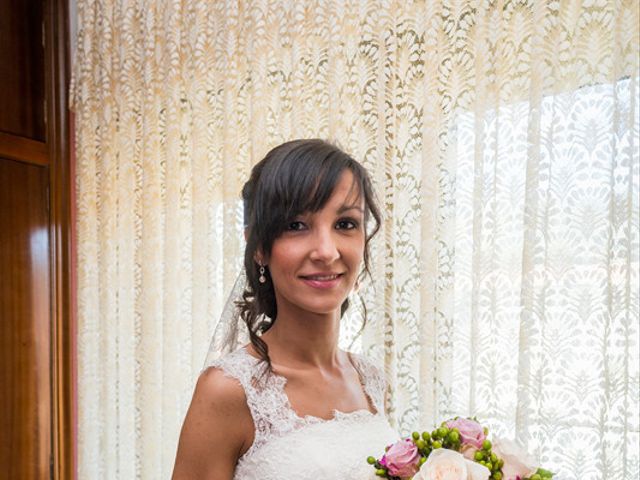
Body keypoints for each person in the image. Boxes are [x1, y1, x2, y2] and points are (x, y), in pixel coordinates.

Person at [172, 139, 398, 479]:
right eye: (296, 225)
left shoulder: (370, 380)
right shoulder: (228, 390)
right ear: (259, 247)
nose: (326, 251)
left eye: (345, 224)